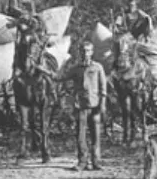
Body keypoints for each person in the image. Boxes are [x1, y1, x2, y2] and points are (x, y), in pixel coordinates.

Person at [38, 40, 107, 171]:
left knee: (96, 136)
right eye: (82, 51)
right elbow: (60, 77)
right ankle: (82, 162)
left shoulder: (98, 68)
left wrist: (102, 106)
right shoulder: (75, 69)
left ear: (92, 52)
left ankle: (96, 162)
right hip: (80, 106)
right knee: (80, 135)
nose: (85, 54)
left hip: (95, 106)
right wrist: (46, 71)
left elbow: (103, 89)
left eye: (87, 51)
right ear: (79, 52)